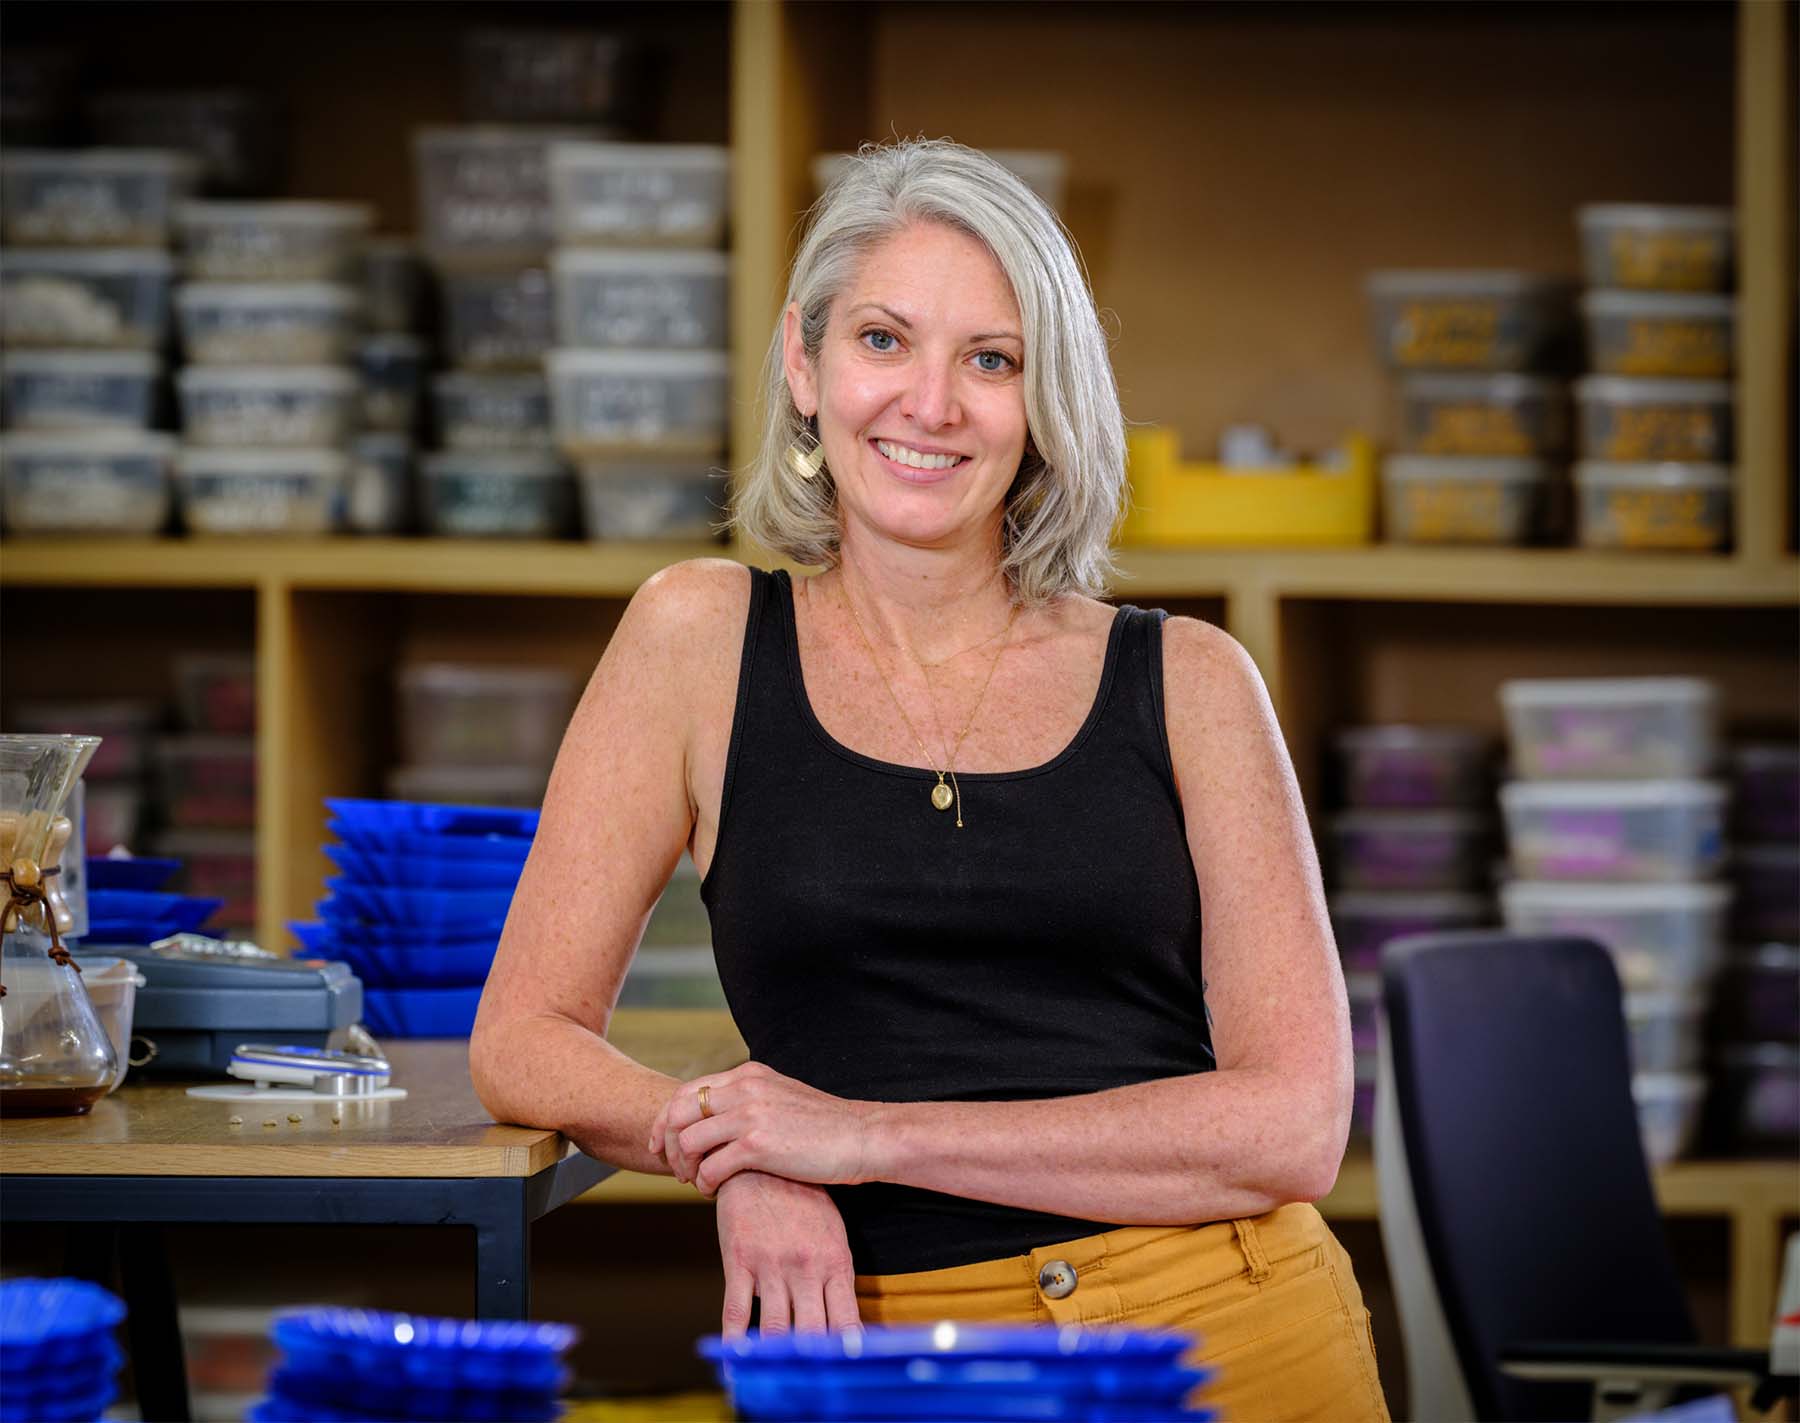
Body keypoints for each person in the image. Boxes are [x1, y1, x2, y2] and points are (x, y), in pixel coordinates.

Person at [470, 138, 1389, 1422]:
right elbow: (522, 1037)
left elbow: (1293, 1126)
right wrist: (739, 1157)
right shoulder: (697, 636)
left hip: (1221, 1326)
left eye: (991, 360)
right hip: (880, 1348)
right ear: (804, 360)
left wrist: (862, 1137)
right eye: (885, 340)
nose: (932, 404)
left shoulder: (1193, 680)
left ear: (1044, 398)